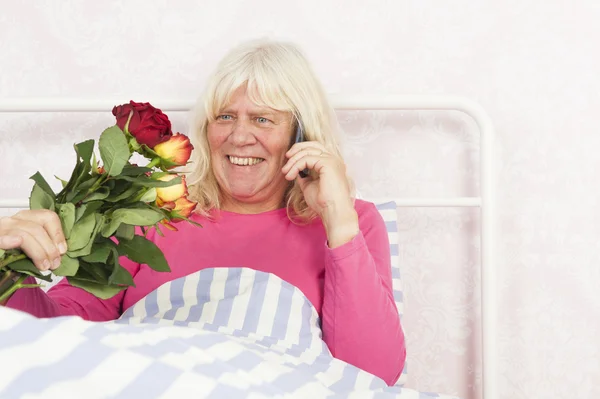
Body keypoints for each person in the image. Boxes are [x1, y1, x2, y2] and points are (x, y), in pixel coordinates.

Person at [0, 39, 406, 386]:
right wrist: (11, 272)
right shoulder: (152, 209)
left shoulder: (350, 224)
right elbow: (59, 335)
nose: (239, 136)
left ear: (300, 136)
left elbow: (373, 374)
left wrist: (337, 218)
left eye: (262, 119)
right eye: (225, 116)